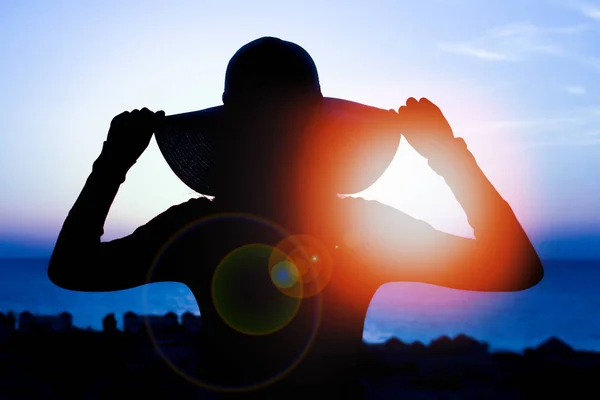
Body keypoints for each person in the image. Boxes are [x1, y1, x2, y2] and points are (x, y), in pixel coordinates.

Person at [48, 37, 544, 398]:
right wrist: (448, 157)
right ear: (318, 130)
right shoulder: (361, 231)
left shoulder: (201, 232)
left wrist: (112, 163)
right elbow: (517, 267)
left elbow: (71, 269)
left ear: (232, 131)